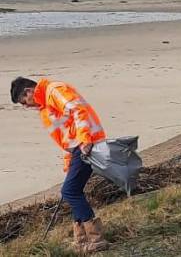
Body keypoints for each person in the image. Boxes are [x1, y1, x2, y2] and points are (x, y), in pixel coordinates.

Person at [11, 77, 109, 253]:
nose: (26, 106)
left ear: (28, 91)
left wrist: (85, 139)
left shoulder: (54, 91)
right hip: (78, 147)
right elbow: (65, 136)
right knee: (72, 191)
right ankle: (81, 240)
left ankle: (96, 238)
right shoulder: (44, 105)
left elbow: (78, 110)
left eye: (24, 102)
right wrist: (68, 162)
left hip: (86, 144)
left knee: (69, 191)